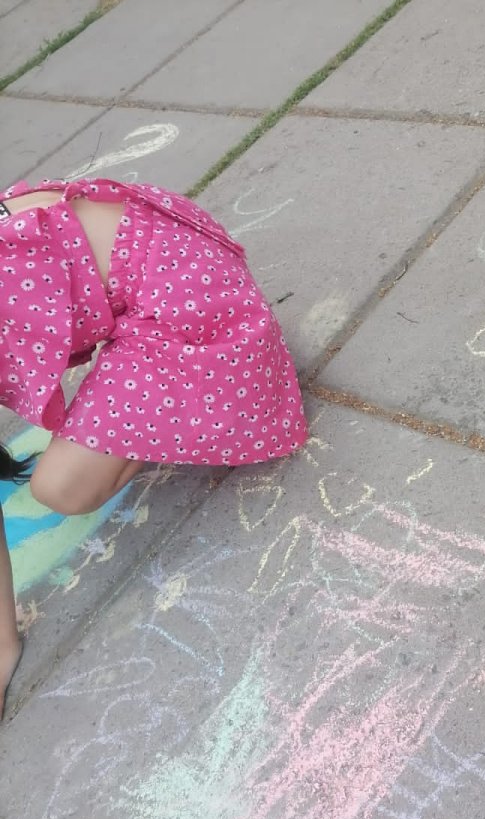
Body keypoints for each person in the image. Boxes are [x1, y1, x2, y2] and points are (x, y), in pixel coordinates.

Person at [0, 176, 307, 719]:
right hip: (173, 269)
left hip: (197, 310)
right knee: (65, 472)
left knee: (61, 488)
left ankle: (188, 416)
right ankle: (166, 413)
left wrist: (2, 649)